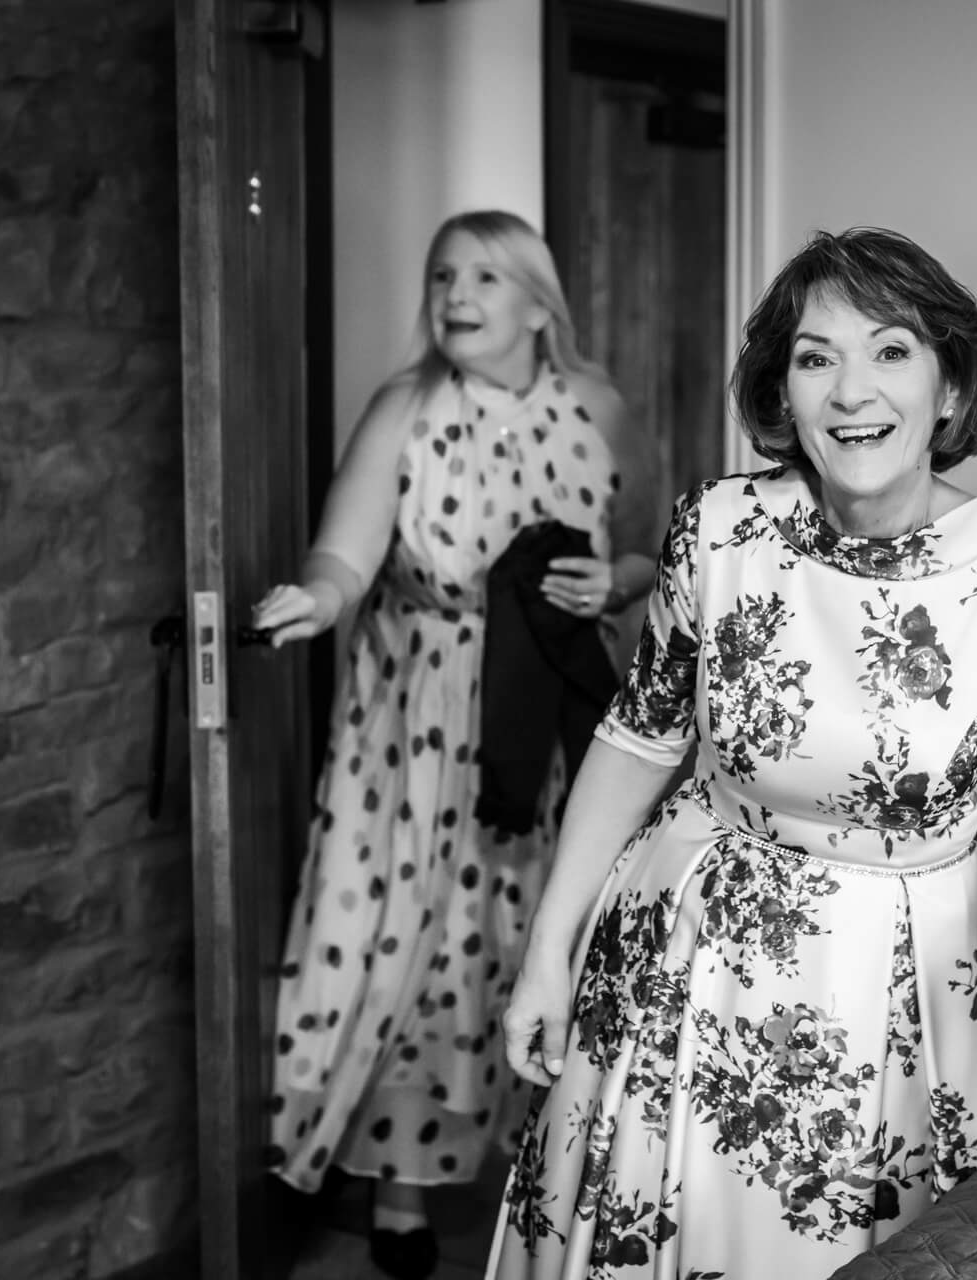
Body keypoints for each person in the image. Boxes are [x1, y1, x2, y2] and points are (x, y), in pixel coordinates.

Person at [490, 226, 977, 1278]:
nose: (852, 390)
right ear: (783, 393)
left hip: (909, 997)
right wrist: (546, 951)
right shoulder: (716, 534)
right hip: (687, 963)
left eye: (891, 351)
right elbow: (634, 739)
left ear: (949, 388)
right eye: (815, 357)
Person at [253, 209, 658, 1279]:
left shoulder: (601, 407)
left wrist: (612, 581)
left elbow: (657, 549)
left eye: (485, 274)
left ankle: (547, 1173)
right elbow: (346, 550)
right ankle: (401, 1190)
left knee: (528, 930)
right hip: (415, 718)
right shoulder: (407, 406)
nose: (457, 293)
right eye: (442, 275)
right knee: (412, 940)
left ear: (538, 302)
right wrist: (317, 595)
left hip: (550, 715)